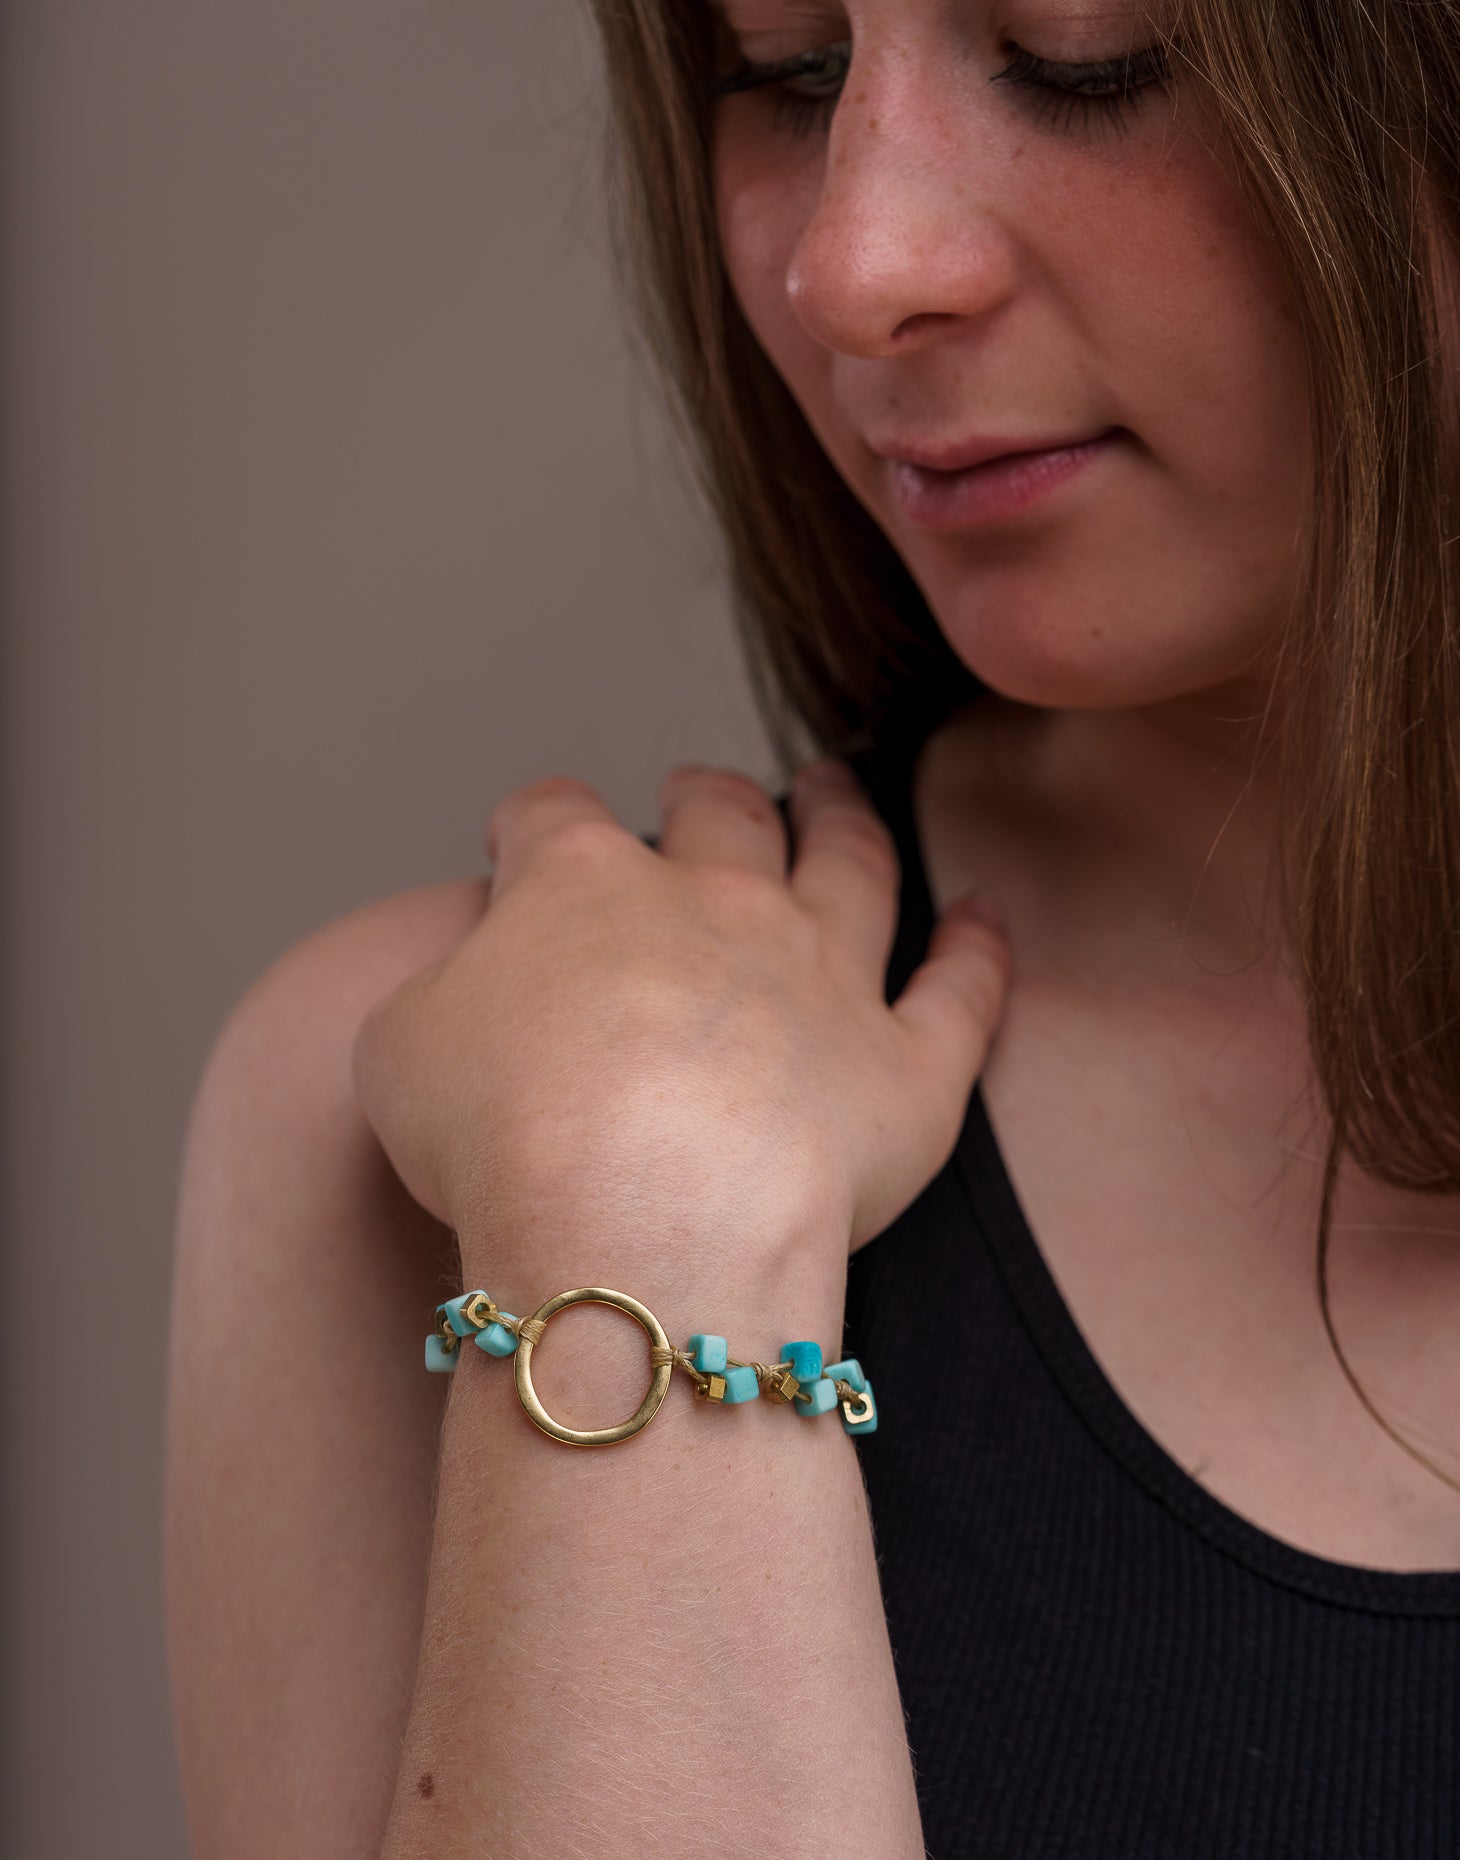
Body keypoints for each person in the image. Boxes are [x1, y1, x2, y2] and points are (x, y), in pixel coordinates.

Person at [163, 0, 1460, 1854]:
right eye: (783, 69)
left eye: (1087, 50)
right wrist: (637, 1223)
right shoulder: (418, 1123)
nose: (852, 267)